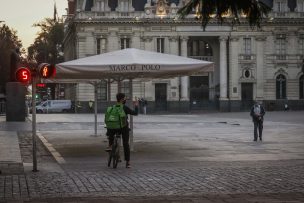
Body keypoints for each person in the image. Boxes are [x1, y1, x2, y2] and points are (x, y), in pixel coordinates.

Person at [105, 93, 138, 168]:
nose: (125, 99)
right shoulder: (124, 108)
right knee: (126, 143)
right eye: (125, 98)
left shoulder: (112, 107)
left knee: (111, 130)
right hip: (123, 128)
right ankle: (128, 162)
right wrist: (136, 105)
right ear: (122, 99)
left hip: (112, 129)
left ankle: (110, 145)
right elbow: (135, 113)